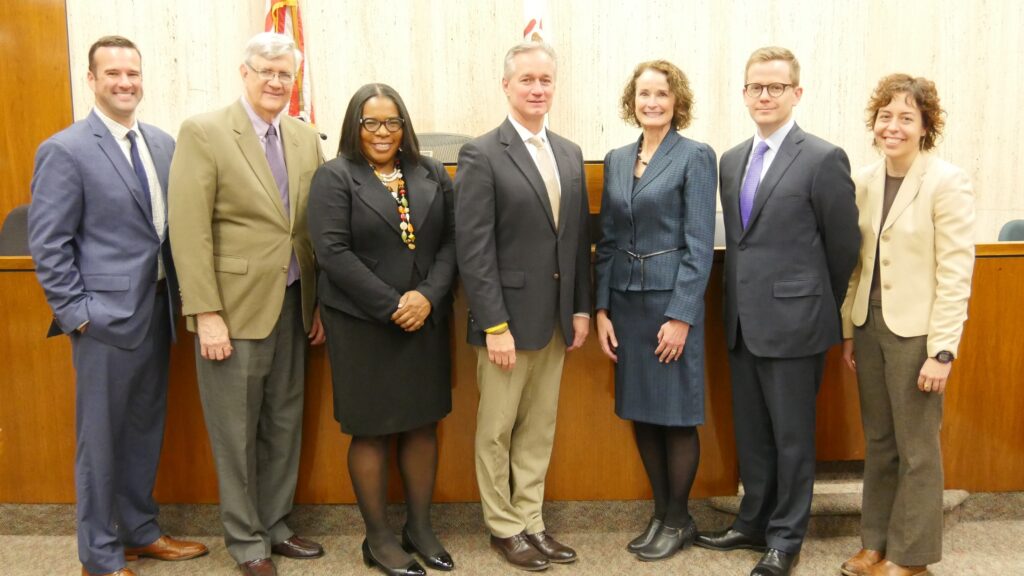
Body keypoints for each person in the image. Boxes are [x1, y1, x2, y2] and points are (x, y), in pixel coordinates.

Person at [27, 35, 208, 576]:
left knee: (144, 428)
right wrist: (78, 314)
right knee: (101, 442)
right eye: (112, 74)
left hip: (157, 310)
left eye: (132, 72)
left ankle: (139, 532)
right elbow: (48, 244)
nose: (125, 82)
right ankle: (99, 556)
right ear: (91, 80)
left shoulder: (161, 143)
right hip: (102, 320)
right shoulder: (65, 149)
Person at [694, 46, 860, 576]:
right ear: (744, 94)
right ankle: (752, 524)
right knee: (754, 434)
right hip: (742, 322)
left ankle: (786, 538)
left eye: (776, 87)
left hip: (796, 324)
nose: (764, 96)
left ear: (796, 93)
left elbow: (843, 248)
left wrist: (812, 304)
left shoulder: (822, 157)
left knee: (792, 437)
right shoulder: (733, 158)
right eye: (755, 87)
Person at [167, 32, 325, 576]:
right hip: (231, 311)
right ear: (245, 72)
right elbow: (188, 231)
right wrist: (205, 313)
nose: (277, 82)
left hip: (292, 301)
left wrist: (319, 302)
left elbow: (310, 228)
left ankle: (276, 523)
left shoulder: (305, 137)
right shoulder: (205, 132)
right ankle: (245, 538)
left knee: (284, 422)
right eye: (267, 72)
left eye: (286, 74)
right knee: (234, 432)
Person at [307, 83, 457, 576]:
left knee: (422, 423)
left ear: (404, 127)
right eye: (370, 122)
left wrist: (427, 297)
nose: (382, 132)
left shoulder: (431, 171)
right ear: (355, 126)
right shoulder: (334, 177)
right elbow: (332, 254)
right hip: (363, 323)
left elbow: (452, 244)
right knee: (371, 431)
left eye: (392, 122)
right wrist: (393, 304)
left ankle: (420, 526)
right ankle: (379, 538)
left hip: (425, 319)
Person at [454, 41, 591, 572]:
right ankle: (503, 526)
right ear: (506, 85)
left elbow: (576, 241)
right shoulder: (482, 153)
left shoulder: (570, 152)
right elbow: (474, 248)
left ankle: (532, 521)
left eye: (546, 80)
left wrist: (580, 308)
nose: (537, 89)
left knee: (538, 430)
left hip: (556, 320)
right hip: (505, 323)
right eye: (527, 80)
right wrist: (494, 323)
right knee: (496, 431)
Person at [838, 75, 974, 576]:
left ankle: (910, 557)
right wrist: (851, 330)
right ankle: (874, 543)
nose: (893, 126)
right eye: (885, 116)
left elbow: (956, 273)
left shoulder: (946, 181)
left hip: (917, 334)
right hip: (869, 327)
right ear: (874, 123)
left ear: (925, 126)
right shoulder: (865, 180)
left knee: (918, 449)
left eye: (906, 117)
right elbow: (858, 263)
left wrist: (942, 352)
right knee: (879, 443)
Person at [594, 60, 717, 562]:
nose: (652, 102)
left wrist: (682, 315)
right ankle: (662, 514)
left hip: (671, 306)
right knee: (642, 414)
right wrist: (601, 309)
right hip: (625, 303)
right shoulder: (617, 158)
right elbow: (606, 240)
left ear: (676, 101)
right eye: (644, 93)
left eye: (661, 94)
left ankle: (679, 518)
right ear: (632, 100)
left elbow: (700, 242)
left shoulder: (695, 156)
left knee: (676, 416)